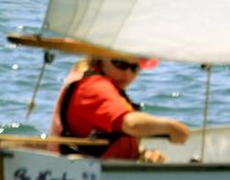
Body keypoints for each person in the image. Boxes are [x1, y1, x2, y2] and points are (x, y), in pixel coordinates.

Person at [50, 57, 190, 163]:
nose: (128, 74)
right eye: (120, 64)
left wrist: (143, 154)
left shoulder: (104, 85)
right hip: (87, 179)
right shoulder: (93, 87)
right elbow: (131, 124)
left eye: (134, 67)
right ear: (101, 58)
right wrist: (171, 127)